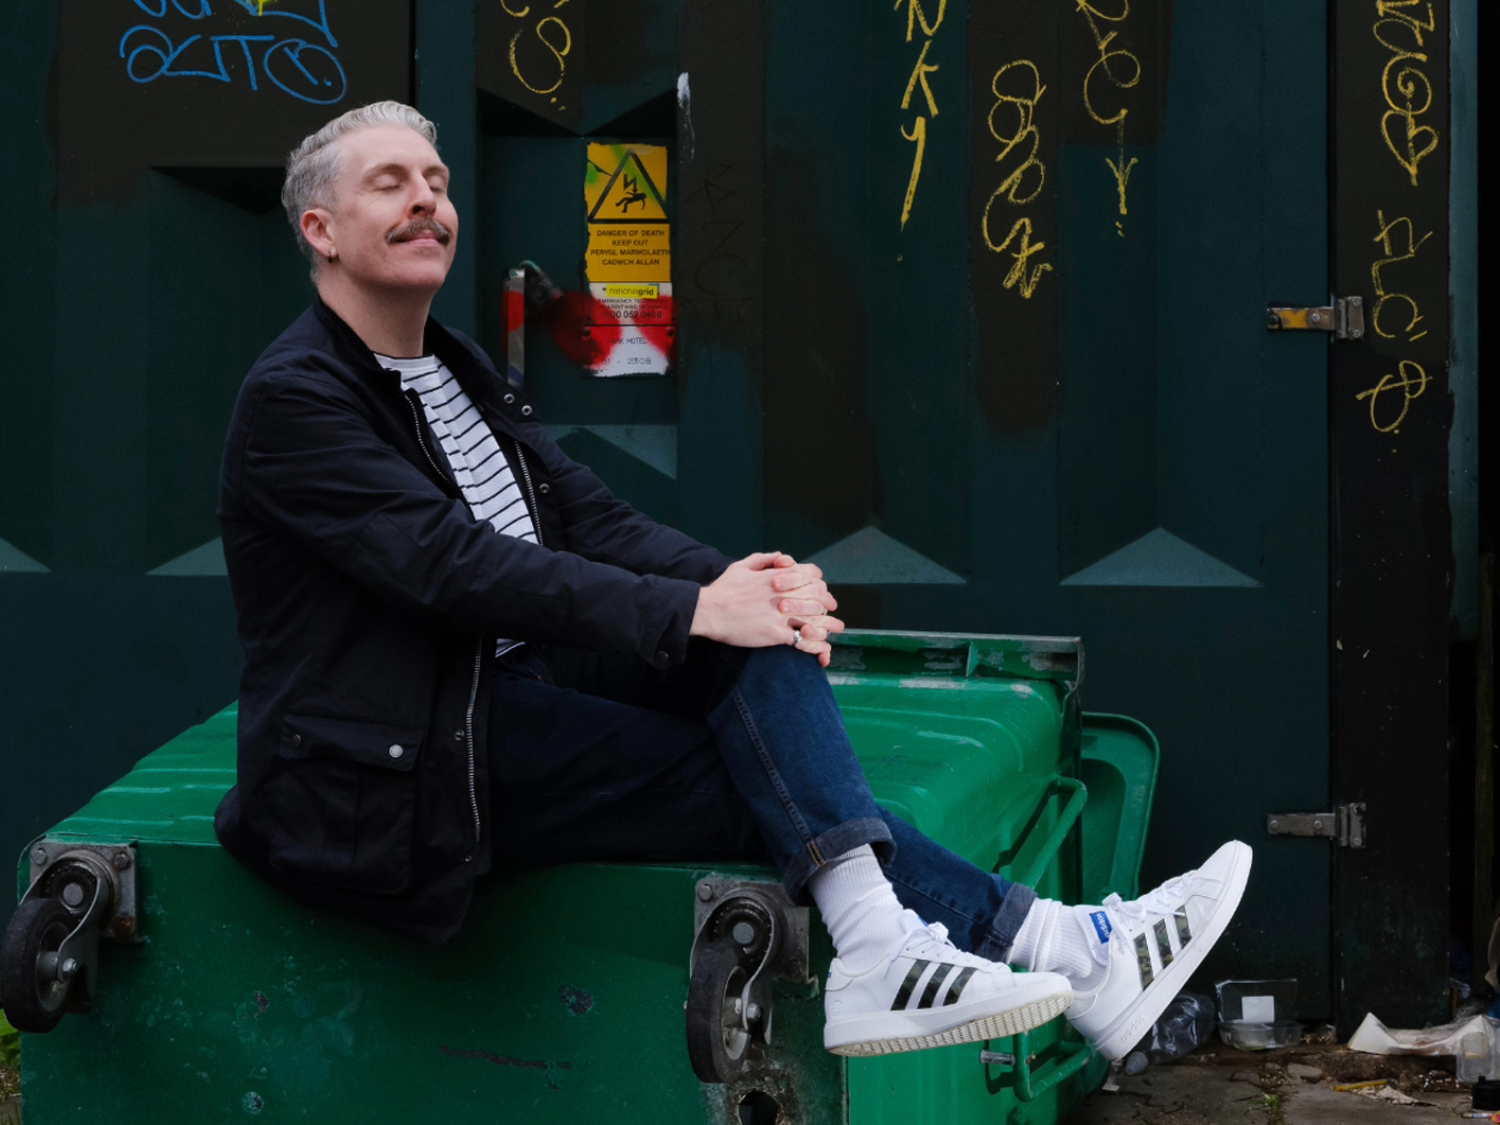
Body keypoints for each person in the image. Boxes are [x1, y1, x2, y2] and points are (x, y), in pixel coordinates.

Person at [213, 101, 1251, 1062]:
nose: (428, 200)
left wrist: (740, 583)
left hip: (493, 693)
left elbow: (586, 517)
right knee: (773, 787)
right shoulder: (296, 403)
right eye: (391, 184)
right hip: (392, 758)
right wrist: (693, 608)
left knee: (759, 646)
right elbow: (457, 569)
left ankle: (944, 951)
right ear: (320, 230)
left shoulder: (454, 367)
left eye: (436, 180)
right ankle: (1058, 948)